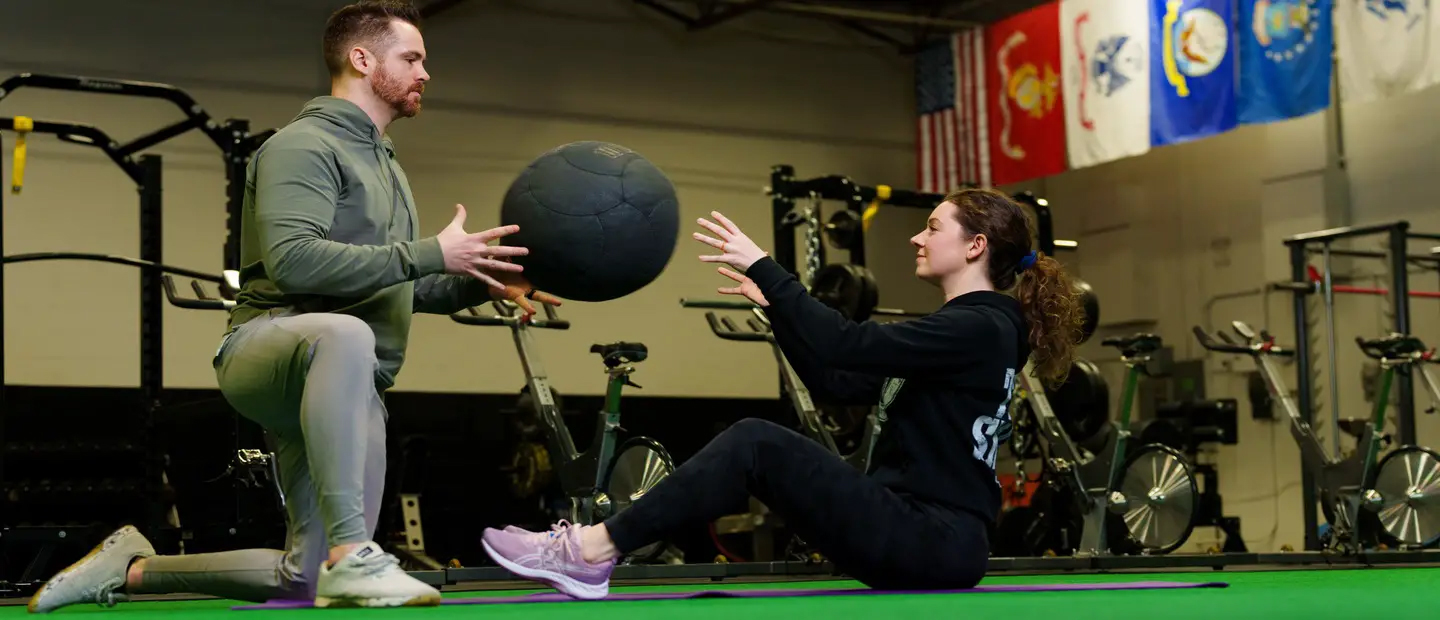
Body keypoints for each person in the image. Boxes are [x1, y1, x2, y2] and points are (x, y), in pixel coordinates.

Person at [27, 1, 558, 613]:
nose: (425, 73)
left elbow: (399, 282)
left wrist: (477, 279)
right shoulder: (302, 146)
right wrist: (431, 251)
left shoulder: (387, 165)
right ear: (362, 59)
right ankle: (353, 552)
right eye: (411, 58)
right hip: (269, 349)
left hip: (350, 377)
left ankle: (134, 567)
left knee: (302, 579)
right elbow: (296, 262)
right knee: (346, 336)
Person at [480, 188, 1086, 599]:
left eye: (932, 227)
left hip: (934, 538)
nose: (916, 239)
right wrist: (779, 313)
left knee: (756, 442)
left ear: (975, 246)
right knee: (760, 447)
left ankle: (590, 551)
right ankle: (591, 551)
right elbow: (836, 381)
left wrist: (768, 267)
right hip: (921, 534)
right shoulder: (971, 329)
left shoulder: (981, 324)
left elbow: (846, 343)